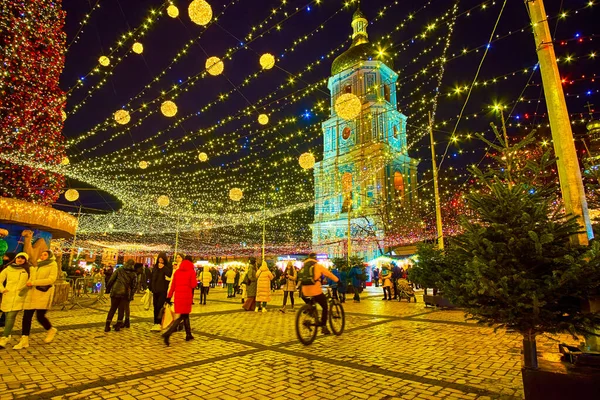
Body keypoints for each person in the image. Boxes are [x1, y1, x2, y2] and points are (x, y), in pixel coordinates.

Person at [14, 250, 58, 349]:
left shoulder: (52, 265)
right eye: (42, 254)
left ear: (50, 256)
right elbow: (32, 277)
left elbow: (51, 279)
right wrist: (28, 284)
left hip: (43, 294)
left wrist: (34, 282)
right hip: (32, 293)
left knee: (40, 317)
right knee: (26, 316)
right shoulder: (37, 265)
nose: (42, 256)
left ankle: (51, 330)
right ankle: (24, 339)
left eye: (45, 254)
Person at [298, 253, 338, 335]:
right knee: (324, 306)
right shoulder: (318, 266)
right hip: (315, 291)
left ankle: (312, 313)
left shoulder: (304, 266)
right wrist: (338, 281)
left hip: (304, 291)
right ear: (315, 259)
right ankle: (323, 326)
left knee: (312, 303)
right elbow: (328, 274)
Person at [162, 259, 196, 345]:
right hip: (186, 297)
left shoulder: (177, 272)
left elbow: (172, 286)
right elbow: (193, 285)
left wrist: (168, 297)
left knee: (185, 315)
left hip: (178, 297)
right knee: (182, 316)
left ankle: (189, 334)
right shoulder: (191, 272)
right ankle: (168, 333)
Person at [0, 253, 30, 349]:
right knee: (7, 315)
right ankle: (8, 335)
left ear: (25, 260)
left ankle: (4, 337)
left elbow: (31, 282)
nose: (20, 260)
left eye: (22, 258)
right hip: (8, 295)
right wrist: (2, 289)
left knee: (11, 317)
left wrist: (24, 290)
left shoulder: (28, 269)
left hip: (19, 297)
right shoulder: (8, 268)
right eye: (18, 258)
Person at [104, 260, 136, 332]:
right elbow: (134, 286)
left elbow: (111, 280)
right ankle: (118, 326)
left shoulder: (119, 270)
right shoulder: (133, 273)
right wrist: (131, 295)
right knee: (121, 310)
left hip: (115, 291)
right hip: (125, 293)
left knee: (112, 309)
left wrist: (108, 289)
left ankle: (107, 325)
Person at [149, 253, 172, 331]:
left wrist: (164, 268)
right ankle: (155, 322)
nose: (160, 260)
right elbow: (152, 277)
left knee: (160, 306)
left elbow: (169, 274)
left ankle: (159, 323)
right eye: (159, 259)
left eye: (162, 259)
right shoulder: (155, 267)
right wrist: (150, 287)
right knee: (155, 306)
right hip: (155, 290)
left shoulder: (168, 266)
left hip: (163, 290)